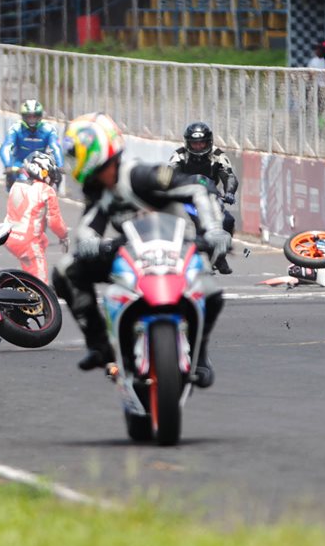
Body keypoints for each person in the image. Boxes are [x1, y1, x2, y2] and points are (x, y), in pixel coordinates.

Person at [51, 113, 229, 386]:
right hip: (132, 253)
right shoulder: (98, 189)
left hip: (178, 249)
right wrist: (89, 244)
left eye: (75, 154)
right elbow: (89, 225)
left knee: (213, 295)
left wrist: (213, 229)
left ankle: (199, 354)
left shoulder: (138, 175)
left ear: (95, 149)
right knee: (65, 270)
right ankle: (100, 347)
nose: (73, 162)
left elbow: (198, 187)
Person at [168, 121, 238, 273]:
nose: (198, 147)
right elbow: (170, 175)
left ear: (209, 142)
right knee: (174, 221)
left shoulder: (218, 155)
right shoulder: (179, 155)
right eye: (195, 143)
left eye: (202, 143)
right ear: (188, 143)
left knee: (228, 220)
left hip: (211, 196)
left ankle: (220, 255)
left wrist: (230, 192)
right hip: (186, 197)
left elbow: (229, 176)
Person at [5, 151, 69, 280]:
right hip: (28, 242)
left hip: (9, 236)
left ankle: (25, 285)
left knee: (43, 241)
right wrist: (64, 236)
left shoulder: (17, 185)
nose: (51, 180)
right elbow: (55, 222)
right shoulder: (46, 190)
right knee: (40, 283)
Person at [0, 99, 63, 191]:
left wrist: (60, 165)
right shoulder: (15, 129)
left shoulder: (49, 130)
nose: (32, 120)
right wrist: (8, 165)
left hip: (41, 166)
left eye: (35, 116)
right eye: (29, 117)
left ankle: (51, 198)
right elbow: (7, 146)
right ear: (23, 117)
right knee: (14, 179)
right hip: (20, 165)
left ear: (40, 116)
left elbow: (55, 147)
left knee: (56, 179)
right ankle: (14, 195)